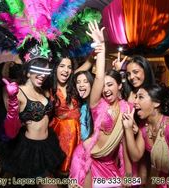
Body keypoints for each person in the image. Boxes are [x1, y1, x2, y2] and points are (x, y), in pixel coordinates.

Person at [69, 21, 134, 188]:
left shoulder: (127, 108)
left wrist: (127, 171)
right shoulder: (96, 104)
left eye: (110, 85)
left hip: (109, 163)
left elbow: (124, 143)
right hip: (88, 159)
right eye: (103, 86)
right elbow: (98, 77)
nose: (105, 89)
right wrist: (102, 46)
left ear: (119, 86)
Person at [0, 44, 65, 183]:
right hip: (27, 149)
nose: (43, 76)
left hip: (46, 145)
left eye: (46, 72)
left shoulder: (44, 91)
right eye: (39, 70)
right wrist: (12, 101)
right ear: (28, 71)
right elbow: (11, 131)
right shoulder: (17, 92)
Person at [49, 47, 94, 177]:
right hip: (60, 134)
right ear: (55, 67)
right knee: (59, 172)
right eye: (62, 66)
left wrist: (96, 51)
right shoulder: (49, 89)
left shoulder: (73, 81)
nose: (66, 70)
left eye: (69, 67)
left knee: (79, 171)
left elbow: (89, 63)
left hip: (79, 131)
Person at [74, 71, 94, 140]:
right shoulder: (83, 106)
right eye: (78, 82)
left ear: (91, 84)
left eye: (85, 81)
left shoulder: (96, 107)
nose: (81, 85)